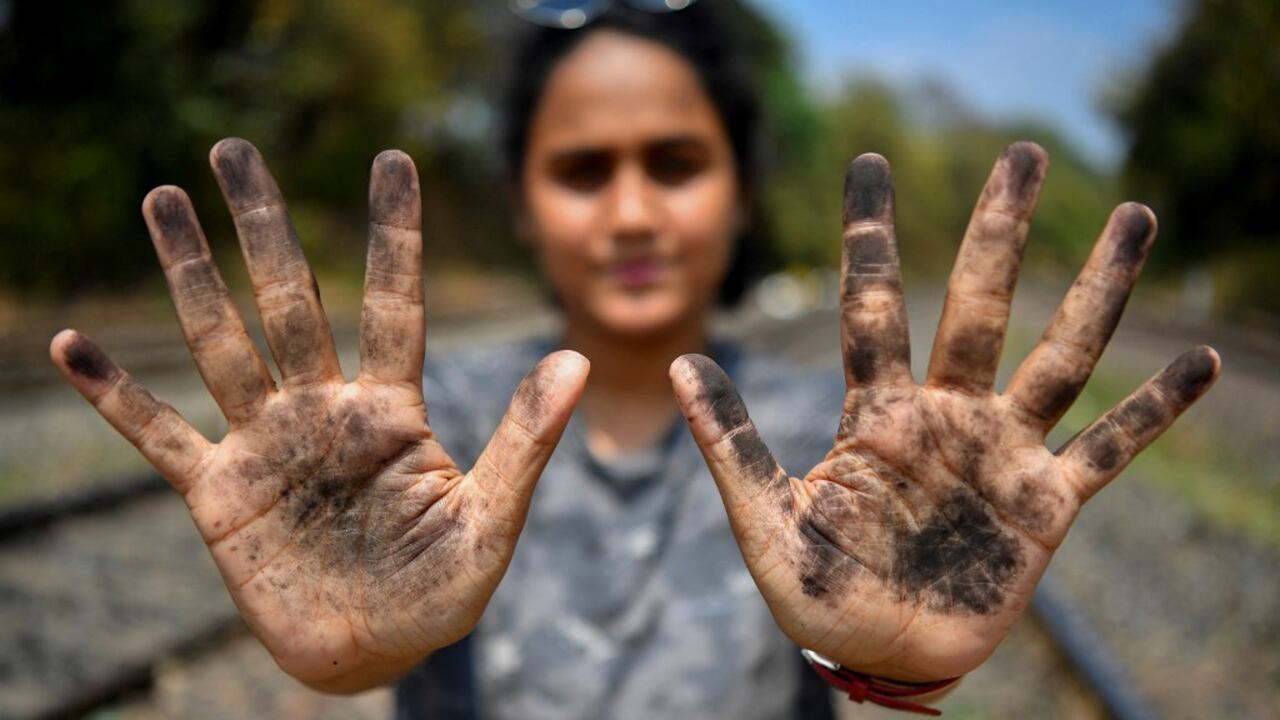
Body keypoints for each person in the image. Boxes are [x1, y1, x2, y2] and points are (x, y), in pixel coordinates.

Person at [48, 2, 1220, 719]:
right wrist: (358, 652)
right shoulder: (413, 426)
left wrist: (889, 667)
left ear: (740, 187)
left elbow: (867, 651)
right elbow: (361, 652)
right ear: (519, 198)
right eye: (581, 169)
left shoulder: (842, 438)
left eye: (673, 161)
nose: (630, 212)